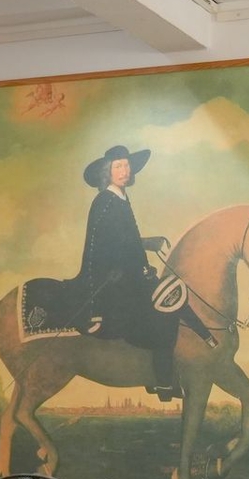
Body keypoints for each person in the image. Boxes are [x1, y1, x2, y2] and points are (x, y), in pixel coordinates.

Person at [60, 144, 183, 394]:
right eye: (118, 166)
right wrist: (137, 270)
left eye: (127, 165)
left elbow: (124, 240)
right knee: (162, 316)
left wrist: (146, 246)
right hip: (112, 285)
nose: (124, 171)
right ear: (107, 171)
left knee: (166, 297)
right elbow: (100, 247)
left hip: (129, 277)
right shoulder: (105, 201)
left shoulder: (121, 198)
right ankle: (162, 381)